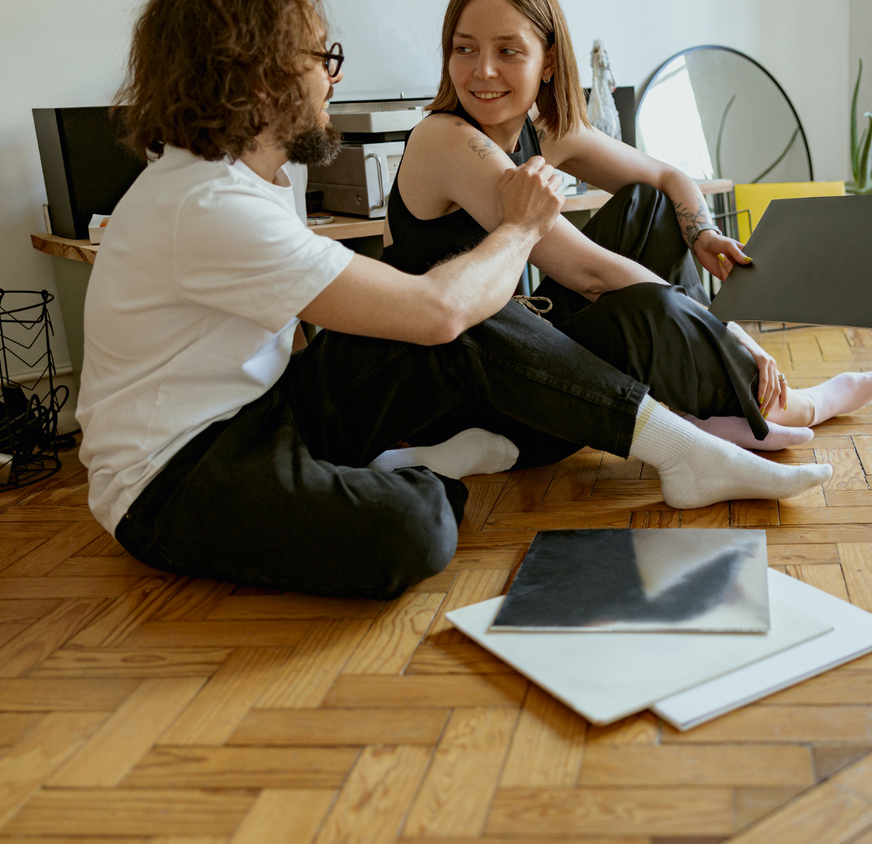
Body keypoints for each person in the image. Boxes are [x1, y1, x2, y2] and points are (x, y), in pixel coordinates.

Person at [74, 0, 832, 601]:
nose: (330, 80)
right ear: (261, 75)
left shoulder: (262, 177)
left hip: (271, 405)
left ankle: (682, 450)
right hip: (173, 475)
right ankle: (435, 469)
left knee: (461, 315)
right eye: (321, 59)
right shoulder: (206, 203)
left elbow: (388, 320)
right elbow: (441, 308)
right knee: (414, 531)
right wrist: (523, 226)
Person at [385, 0, 872, 456]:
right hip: (472, 391)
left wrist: (703, 234)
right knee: (651, 309)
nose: (483, 70)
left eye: (508, 51)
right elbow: (590, 273)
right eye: (464, 49)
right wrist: (735, 335)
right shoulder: (445, 139)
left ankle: (705, 406)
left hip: (525, 339)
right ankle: (790, 405)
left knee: (648, 206)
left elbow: (669, 178)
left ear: (550, 62)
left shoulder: (544, 131)